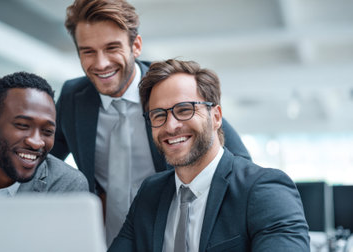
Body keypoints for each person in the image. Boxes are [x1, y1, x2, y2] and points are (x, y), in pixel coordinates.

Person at [52, 0, 251, 244]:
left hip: (167, 238)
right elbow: (45, 160)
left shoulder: (168, 90)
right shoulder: (73, 97)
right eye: (88, 51)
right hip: (102, 240)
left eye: (112, 48)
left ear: (135, 46)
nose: (101, 63)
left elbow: (239, 163)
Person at [108, 59, 310, 251]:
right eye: (159, 115)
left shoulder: (265, 190)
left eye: (185, 110)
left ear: (216, 117)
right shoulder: (149, 193)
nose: (170, 126)